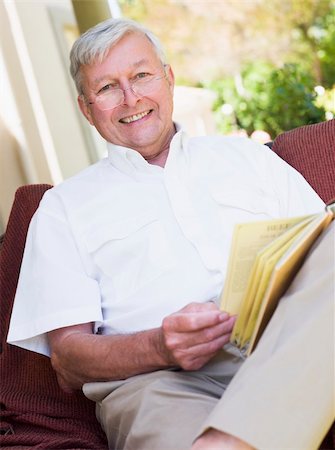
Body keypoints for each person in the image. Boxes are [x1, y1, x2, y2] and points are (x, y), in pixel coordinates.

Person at [7, 18, 334, 450]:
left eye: (141, 75)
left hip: (286, 347)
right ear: (86, 108)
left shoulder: (246, 158)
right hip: (159, 385)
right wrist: (161, 346)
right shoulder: (60, 209)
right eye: (107, 87)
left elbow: (321, 255)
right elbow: (68, 360)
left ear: (169, 79)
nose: (131, 98)